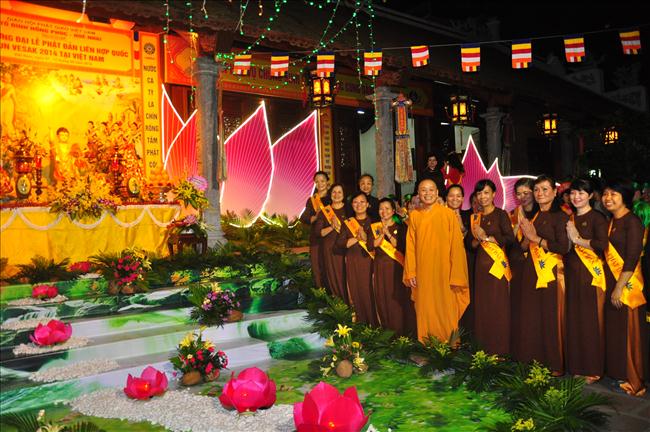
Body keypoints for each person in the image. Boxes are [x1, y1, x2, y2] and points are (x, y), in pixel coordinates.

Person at [513, 175, 569, 375]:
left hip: (551, 273)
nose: (540, 193)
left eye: (545, 189)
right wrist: (523, 235)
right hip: (532, 271)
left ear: (554, 192)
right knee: (532, 315)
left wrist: (535, 238)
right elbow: (524, 246)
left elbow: (563, 247)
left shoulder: (561, 217)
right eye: (536, 190)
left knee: (550, 316)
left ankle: (554, 363)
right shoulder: (535, 215)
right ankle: (533, 358)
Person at [403, 179, 470, 342]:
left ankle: (449, 346)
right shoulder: (414, 216)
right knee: (425, 308)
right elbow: (410, 246)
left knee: (446, 308)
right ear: (418, 194)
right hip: (423, 272)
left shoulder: (448, 214)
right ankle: (427, 345)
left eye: (431, 190)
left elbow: (457, 247)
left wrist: (456, 275)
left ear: (437, 192)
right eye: (423, 190)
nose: (427, 193)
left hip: (445, 272)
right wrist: (411, 271)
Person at [602, 181, 647, 397]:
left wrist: (619, 288)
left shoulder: (632, 222)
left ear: (625, 197)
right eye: (605, 194)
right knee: (618, 331)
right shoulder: (612, 221)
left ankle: (634, 380)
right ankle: (621, 374)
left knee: (630, 331)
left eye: (614, 194)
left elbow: (632, 257)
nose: (608, 198)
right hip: (613, 282)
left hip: (628, 286)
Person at [563, 179, 609, 384]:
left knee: (590, 321)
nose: (576, 197)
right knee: (575, 321)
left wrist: (577, 239)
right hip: (572, 276)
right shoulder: (570, 218)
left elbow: (602, 245)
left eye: (581, 193)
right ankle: (577, 366)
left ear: (590, 195)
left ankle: (593, 369)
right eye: (573, 193)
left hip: (591, 276)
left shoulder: (598, 218)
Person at [469, 180, 515, 355]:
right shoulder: (475, 217)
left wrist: (487, 238)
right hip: (481, 269)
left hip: (497, 268)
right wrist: (477, 239)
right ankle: (482, 350)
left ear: (494, 194)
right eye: (479, 193)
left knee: (498, 306)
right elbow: (470, 244)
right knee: (483, 307)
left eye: (486, 192)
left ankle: (499, 350)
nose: (483, 197)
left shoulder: (501, 214)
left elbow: (509, 238)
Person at [372, 198, 415, 336]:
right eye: (381, 209)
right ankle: (387, 332)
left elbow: (400, 246)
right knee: (382, 297)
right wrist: (381, 233)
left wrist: (388, 234)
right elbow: (371, 245)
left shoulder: (401, 227)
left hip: (396, 267)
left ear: (393, 211)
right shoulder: (374, 227)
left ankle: (401, 333)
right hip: (380, 268)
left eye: (387, 208)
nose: (384, 211)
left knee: (396, 299)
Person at [508, 178, 538, 358]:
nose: (522, 197)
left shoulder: (541, 213)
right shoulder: (514, 214)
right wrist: (516, 228)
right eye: (519, 194)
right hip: (518, 264)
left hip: (538, 266)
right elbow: (509, 242)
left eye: (526, 193)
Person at [337, 192, 377, 326]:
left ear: (368, 204)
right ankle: (361, 325)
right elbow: (340, 244)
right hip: (353, 262)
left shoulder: (374, 222)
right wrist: (357, 238)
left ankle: (375, 325)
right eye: (355, 202)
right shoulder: (347, 223)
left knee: (370, 292)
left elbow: (376, 244)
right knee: (356, 292)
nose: (359, 205)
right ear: (352, 205)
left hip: (370, 263)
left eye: (362, 202)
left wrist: (365, 238)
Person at [446, 184, 474, 333]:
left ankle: (463, 331)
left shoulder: (470, 216)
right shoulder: (440, 215)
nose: (455, 199)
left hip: (464, 261)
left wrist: (461, 226)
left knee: (462, 295)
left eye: (458, 196)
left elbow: (472, 241)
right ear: (446, 198)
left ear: (463, 198)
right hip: (445, 262)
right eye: (451, 195)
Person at [315, 184, 348, 303]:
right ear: (330, 194)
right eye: (334, 192)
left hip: (346, 248)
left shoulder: (349, 210)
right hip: (330, 249)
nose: (336, 195)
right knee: (333, 275)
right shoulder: (325, 211)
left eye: (339, 192)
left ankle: (350, 304)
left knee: (346, 275)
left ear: (344, 194)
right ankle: (338, 305)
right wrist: (332, 227)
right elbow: (319, 232)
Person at [300, 171, 331, 289]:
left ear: (327, 182)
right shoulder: (312, 200)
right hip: (316, 238)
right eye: (317, 181)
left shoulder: (333, 197)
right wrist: (315, 216)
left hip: (331, 237)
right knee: (317, 267)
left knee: (330, 266)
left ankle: (333, 294)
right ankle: (320, 293)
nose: (320, 184)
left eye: (322, 181)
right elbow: (304, 217)